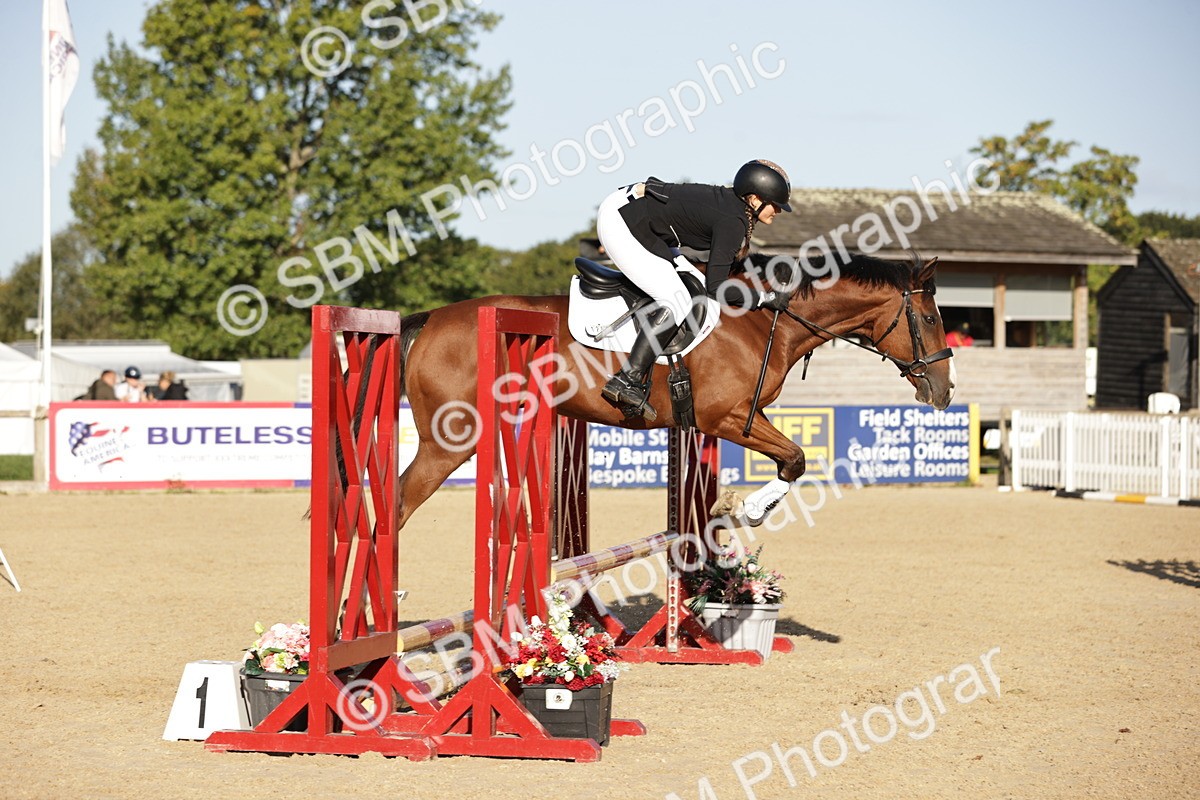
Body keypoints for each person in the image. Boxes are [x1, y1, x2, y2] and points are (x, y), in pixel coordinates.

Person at [597, 159, 794, 420]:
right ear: (755, 200)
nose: (778, 212)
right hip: (621, 222)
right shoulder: (732, 222)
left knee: (691, 284)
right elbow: (717, 288)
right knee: (675, 301)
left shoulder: (736, 210)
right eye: (775, 205)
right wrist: (763, 297)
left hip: (643, 221)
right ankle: (626, 379)